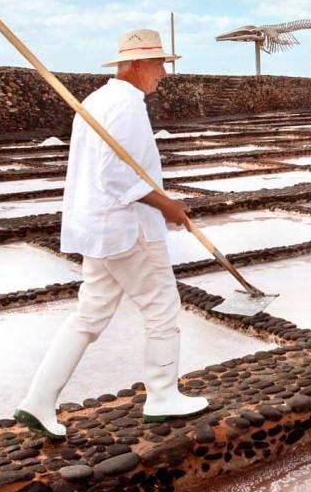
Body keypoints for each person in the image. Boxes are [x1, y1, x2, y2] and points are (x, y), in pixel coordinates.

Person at [14, 28, 208, 438]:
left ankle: (38, 400)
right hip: (126, 229)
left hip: (99, 229)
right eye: (159, 65)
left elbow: (114, 172)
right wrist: (166, 205)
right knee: (162, 308)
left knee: (90, 314)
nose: (164, 74)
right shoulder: (126, 106)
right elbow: (117, 176)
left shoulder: (98, 100)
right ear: (137, 65)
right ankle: (162, 396)